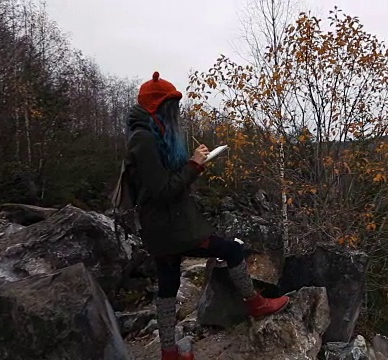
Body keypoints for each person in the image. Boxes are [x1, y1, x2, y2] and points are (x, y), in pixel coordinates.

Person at [124, 71, 289, 360]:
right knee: (232, 250)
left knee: (168, 283)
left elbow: (162, 183)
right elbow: (162, 191)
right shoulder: (145, 140)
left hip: (161, 225)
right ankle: (255, 303)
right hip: (170, 226)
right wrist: (193, 166)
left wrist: (195, 162)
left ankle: (169, 352)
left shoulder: (152, 134)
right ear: (160, 107)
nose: (176, 111)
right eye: (172, 105)